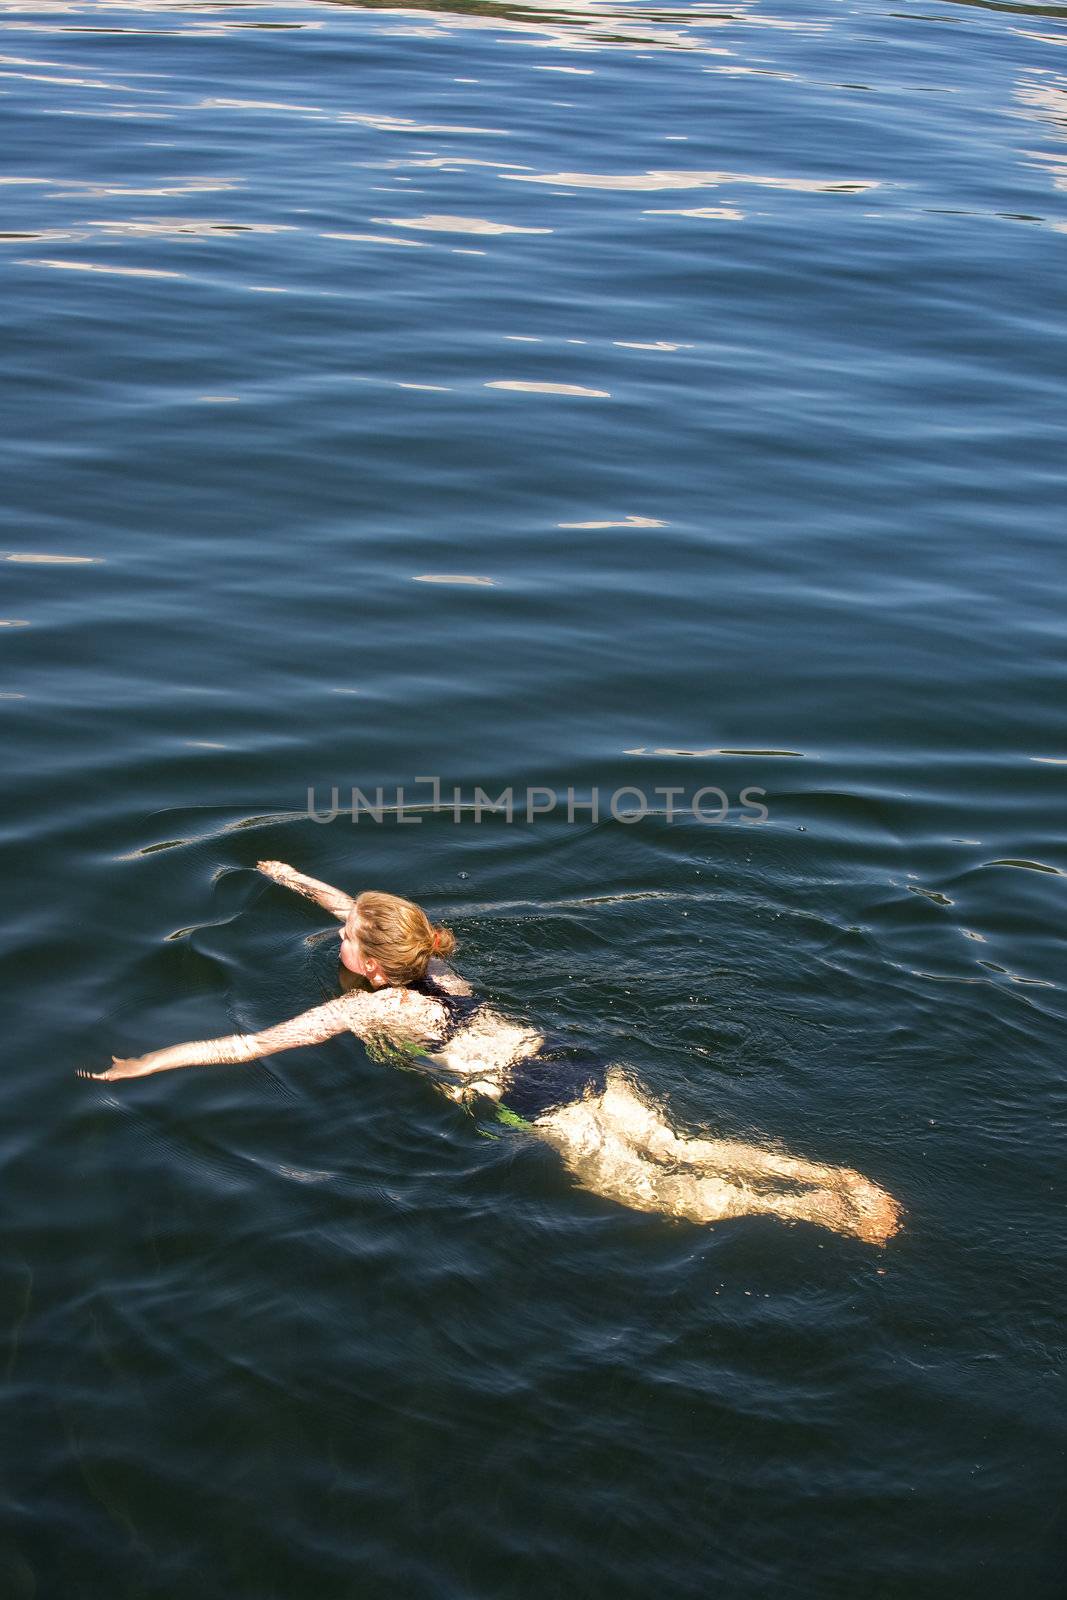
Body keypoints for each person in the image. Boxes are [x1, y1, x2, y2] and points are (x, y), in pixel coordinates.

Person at [84, 860, 901, 1246]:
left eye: (344, 937)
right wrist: (297, 879)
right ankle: (834, 1176)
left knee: (655, 1193)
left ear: (369, 966)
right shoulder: (433, 964)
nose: (336, 933)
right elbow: (358, 910)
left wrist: (147, 1064)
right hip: (569, 1060)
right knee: (677, 1146)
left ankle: (814, 1213)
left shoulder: (374, 1008)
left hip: (528, 1096)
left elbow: (247, 1045)